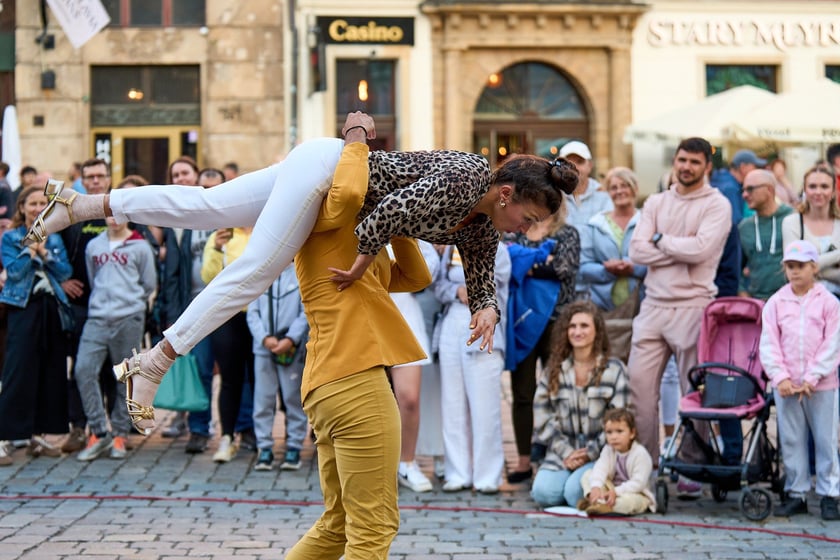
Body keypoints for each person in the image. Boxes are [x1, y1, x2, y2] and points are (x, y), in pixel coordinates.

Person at [25, 112, 578, 435]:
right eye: (525, 218)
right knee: (252, 271)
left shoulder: (480, 222)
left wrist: (486, 304)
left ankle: (81, 205)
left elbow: (480, 267)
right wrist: (363, 259)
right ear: (506, 194)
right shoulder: (466, 176)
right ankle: (155, 360)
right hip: (327, 171)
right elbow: (390, 213)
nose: (522, 230)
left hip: (323, 163)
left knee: (207, 206)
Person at [626, 137, 732, 498]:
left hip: (693, 305)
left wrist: (660, 239)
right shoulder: (656, 201)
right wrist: (676, 246)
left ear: (707, 168)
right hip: (652, 305)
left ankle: (691, 465)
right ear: (675, 161)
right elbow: (637, 251)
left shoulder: (718, 205)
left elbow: (702, 250)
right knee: (639, 388)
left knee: (693, 393)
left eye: (694, 162)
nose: (686, 167)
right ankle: (647, 466)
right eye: (682, 160)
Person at [759, 240, 840, 521]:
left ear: (814, 267)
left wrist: (813, 376)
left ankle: (830, 493)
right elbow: (770, 342)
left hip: (821, 385)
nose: (795, 272)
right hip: (788, 386)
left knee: (826, 438)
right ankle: (797, 491)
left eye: (801, 266)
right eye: (790, 267)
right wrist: (780, 376)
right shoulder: (776, 303)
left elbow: (833, 343)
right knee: (792, 438)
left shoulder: (829, 303)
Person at [75, 206, 157, 461]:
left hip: (128, 318)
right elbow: (93, 278)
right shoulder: (94, 247)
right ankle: (99, 432)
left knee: (125, 377)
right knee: (83, 369)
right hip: (97, 318)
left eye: (118, 214)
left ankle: (120, 432)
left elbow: (149, 284)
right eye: (109, 214)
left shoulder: (140, 246)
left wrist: (130, 306)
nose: (113, 219)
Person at [530, 300, 630, 508]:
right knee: (542, 494)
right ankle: (572, 484)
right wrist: (566, 452)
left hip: (600, 453)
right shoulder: (555, 370)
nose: (577, 332)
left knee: (574, 492)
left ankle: (591, 485)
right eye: (572, 326)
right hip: (563, 452)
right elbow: (541, 416)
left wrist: (589, 454)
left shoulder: (615, 370)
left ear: (597, 331)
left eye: (584, 326)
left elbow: (620, 419)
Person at [504, 209, 579, 483]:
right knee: (522, 393)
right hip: (522, 321)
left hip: (557, 322)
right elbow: (506, 265)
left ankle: (556, 456)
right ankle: (524, 461)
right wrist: (540, 263)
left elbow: (564, 269)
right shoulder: (516, 230)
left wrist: (527, 265)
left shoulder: (568, 233)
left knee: (557, 391)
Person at [0, 186, 72, 466]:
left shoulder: (54, 236)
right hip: (23, 308)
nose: (37, 207)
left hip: (51, 309)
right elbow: (15, 273)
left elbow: (65, 271)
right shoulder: (12, 237)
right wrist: (32, 250)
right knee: (18, 370)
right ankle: (5, 436)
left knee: (49, 370)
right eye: (32, 203)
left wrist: (47, 252)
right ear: (21, 207)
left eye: (43, 202)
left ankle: (35, 434)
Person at [435, 241, 511, 494]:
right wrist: (457, 290)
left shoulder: (497, 248)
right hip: (452, 321)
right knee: (452, 403)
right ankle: (457, 471)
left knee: (484, 406)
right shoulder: (449, 247)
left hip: (483, 325)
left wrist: (474, 292)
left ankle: (487, 475)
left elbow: (496, 286)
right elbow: (439, 285)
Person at [58, 158, 114, 454]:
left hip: (115, 307)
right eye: (89, 177)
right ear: (82, 179)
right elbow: (56, 252)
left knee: (112, 370)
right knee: (81, 368)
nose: (94, 181)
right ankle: (79, 428)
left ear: (108, 178)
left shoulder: (119, 207)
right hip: (81, 304)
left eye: (100, 176)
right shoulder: (72, 212)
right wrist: (63, 280)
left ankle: (111, 430)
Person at [201, 222, 256, 463]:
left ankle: (259, 436)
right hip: (229, 315)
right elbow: (208, 278)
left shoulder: (267, 227)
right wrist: (215, 249)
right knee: (229, 379)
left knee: (260, 378)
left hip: (261, 313)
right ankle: (226, 437)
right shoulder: (219, 236)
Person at [246, 263, 309, 471]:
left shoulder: (300, 273)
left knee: (293, 397)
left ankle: (294, 445)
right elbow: (252, 312)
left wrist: (291, 338)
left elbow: (305, 311)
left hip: (290, 348)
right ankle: (264, 446)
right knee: (263, 398)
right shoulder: (260, 274)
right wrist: (264, 338)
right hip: (264, 347)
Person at [390, 239, 440, 492]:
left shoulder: (406, 208)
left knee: (409, 399)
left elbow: (431, 262)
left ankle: (407, 462)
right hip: (360, 311)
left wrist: (400, 272)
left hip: (403, 312)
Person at [557, 140, 612, 297]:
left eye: (580, 162)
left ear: (590, 165)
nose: (574, 167)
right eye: (568, 163)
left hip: (596, 283)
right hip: (561, 280)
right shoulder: (553, 196)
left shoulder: (604, 196)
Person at [578, 407, 655, 516]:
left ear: (632, 433)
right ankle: (595, 499)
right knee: (588, 474)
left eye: (619, 431)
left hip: (635, 493)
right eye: (609, 432)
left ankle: (603, 505)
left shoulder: (640, 454)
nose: (614, 437)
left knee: (628, 503)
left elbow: (638, 483)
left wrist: (617, 492)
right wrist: (596, 487)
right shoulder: (608, 450)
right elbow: (600, 469)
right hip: (611, 490)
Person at [781, 165, 840, 297]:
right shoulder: (792, 223)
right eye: (812, 186)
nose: (818, 192)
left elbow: (803, 270)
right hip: (806, 300)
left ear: (833, 192)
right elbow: (793, 271)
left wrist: (811, 266)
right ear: (805, 190)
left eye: (824, 186)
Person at [738, 169, 793, 299]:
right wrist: (743, 294)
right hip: (757, 304)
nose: (744, 195)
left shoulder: (793, 219)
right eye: (743, 190)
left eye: (750, 189)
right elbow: (736, 267)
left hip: (791, 301)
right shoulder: (744, 227)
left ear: (769, 189)